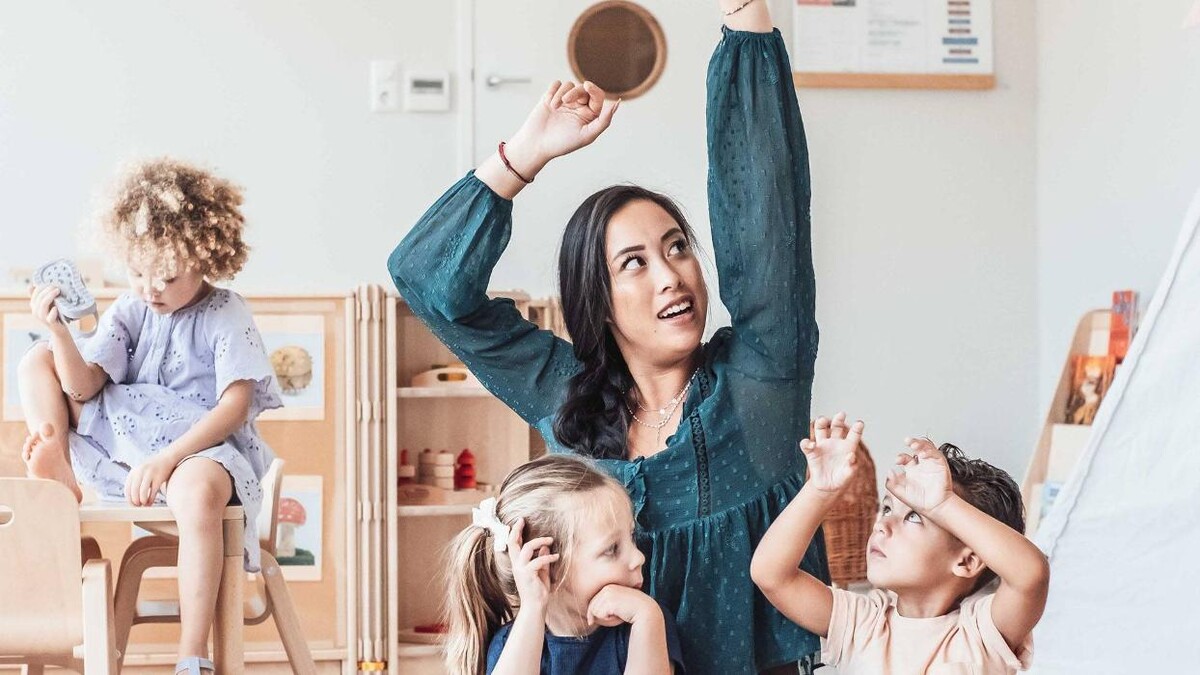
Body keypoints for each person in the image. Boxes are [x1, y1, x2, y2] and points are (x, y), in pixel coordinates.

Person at [389, 1, 824, 671]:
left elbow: (766, 211)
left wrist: (747, 20)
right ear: (598, 302)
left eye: (677, 247)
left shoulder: (762, 377)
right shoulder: (562, 392)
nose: (671, 276)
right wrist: (525, 154)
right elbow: (425, 281)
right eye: (635, 263)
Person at [19, 158, 280, 675]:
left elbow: (235, 406)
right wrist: (59, 333)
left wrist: (169, 460)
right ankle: (63, 482)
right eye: (138, 273)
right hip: (124, 441)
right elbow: (86, 385)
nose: (150, 289)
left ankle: (191, 655)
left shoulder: (225, 313)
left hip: (197, 448)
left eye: (167, 277)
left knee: (198, 491)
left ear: (207, 257)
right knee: (36, 361)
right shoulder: (131, 308)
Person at [751, 413, 1048, 673]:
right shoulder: (862, 621)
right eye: (888, 508)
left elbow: (1030, 575)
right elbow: (771, 574)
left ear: (967, 560)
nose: (882, 525)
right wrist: (819, 491)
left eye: (914, 518)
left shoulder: (982, 633)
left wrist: (943, 505)